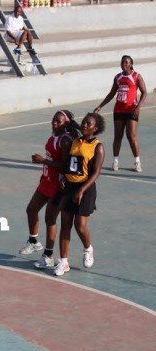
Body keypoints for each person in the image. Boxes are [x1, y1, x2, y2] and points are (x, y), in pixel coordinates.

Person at [19, 110, 80, 269]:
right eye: (53, 120)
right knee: (31, 209)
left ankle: (48, 255)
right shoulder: (54, 136)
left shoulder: (65, 140)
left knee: (50, 219)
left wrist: (43, 160)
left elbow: (66, 165)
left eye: (58, 121)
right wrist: (43, 171)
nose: (54, 123)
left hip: (58, 184)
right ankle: (33, 242)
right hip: (46, 181)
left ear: (66, 123)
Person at [53, 113, 105, 276]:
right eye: (83, 123)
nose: (84, 125)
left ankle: (88, 248)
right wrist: (63, 177)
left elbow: (96, 173)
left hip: (86, 188)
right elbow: (68, 164)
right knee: (65, 225)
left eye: (88, 124)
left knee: (80, 226)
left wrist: (81, 190)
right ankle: (63, 262)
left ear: (95, 128)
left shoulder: (98, 147)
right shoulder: (74, 141)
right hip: (69, 186)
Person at [94, 55, 147, 173]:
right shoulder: (117, 77)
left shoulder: (136, 76)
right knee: (118, 136)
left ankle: (137, 161)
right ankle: (115, 161)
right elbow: (112, 93)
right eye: (123, 62)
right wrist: (100, 106)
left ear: (131, 64)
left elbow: (144, 92)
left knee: (131, 136)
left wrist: (138, 107)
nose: (124, 64)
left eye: (127, 62)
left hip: (132, 110)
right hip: (118, 110)